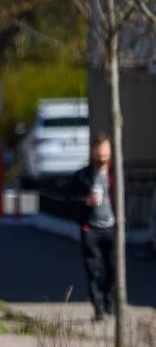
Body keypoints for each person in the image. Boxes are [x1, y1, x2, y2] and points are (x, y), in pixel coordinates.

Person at [71, 132, 116, 321]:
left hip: (111, 227)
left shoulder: (115, 175)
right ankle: (98, 306)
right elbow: (70, 200)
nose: (102, 157)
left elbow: (124, 197)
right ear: (93, 153)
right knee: (94, 269)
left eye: (105, 153)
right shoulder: (83, 176)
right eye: (99, 153)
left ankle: (109, 300)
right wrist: (85, 201)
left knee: (112, 267)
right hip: (90, 228)